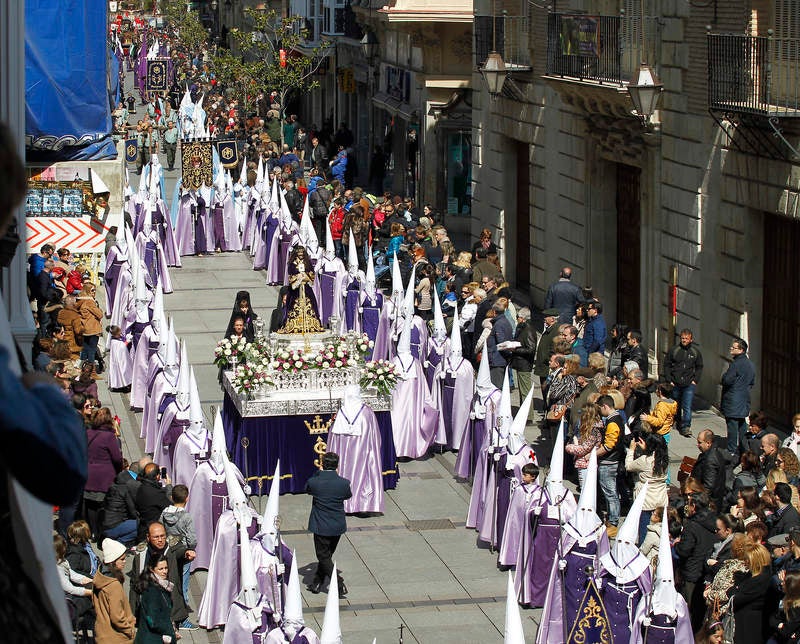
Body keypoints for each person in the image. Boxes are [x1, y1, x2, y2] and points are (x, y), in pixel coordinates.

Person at [130, 521, 192, 630]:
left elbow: (180, 551)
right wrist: (132, 612)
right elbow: (134, 584)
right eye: (156, 537)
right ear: (148, 537)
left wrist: (186, 553)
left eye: (163, 536)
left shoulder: (172, 548)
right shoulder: (141, 555)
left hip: (169, 608)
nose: (160, 540)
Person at [305, 452, 352, 597]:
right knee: (326, 555)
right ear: (337, 465)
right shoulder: (344, 483)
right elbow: (347, 495)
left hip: (321, 526)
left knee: (323, 556)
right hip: (337, 525)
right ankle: (317, 583)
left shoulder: (315, 482)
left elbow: (307, 489)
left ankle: (338, 583)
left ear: (322, 464)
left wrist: (318, 473)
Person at [675, 492, 720, 632]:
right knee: (701, 614)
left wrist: (677, 545)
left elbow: (684, 551)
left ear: (694, 506)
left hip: (692, 573)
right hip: (707, 572)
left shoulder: (692, 525)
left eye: (688, 504)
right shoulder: (716, 521)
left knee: (688, 612)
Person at [84, 408, 124, 539]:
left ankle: (93, 531)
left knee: (91, 505)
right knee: (104, 505)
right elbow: (117, 458)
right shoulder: (109, 436)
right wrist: (119, 471)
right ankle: (102, 532)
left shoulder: (88, 433)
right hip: (104, 477)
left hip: (89, 474)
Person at [625, 432, 669, 544]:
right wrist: (647, 450)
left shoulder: (644, 460)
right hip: (661, 498)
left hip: (646, 501)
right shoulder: (664, 460)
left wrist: (631, 450)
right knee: (659, 529)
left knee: (644, 530)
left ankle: (643, 549)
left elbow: (628, 466)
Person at [159, 484, 197, 608]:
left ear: (172, 498)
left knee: (170, 576)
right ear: (187, 498)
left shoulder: (164, 513)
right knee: (183, 579)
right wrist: (191, 548)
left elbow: (160, 528)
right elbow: (191, 538)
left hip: (169, 549)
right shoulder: (186, 517)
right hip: (183, 550)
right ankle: (183, 605)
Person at [728, 540, 773, 643]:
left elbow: (736, 598)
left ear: (755, 560)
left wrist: (735, 589)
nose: (745, 562)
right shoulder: (750, 576)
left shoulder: (760, 580)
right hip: (744, 623)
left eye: (747, 559)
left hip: (751, 627)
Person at [93, 538, 136, 643]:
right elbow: (117, 617)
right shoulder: (113, 585)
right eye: (122, 559)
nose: (125, 562)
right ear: (113, 561)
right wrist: (130, 630)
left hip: (102, 633)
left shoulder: (100, 577)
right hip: (116, 637)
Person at [663, 328, 704, 437]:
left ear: (691, 339)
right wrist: (669, 380)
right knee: (676, 404)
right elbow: (667, 364)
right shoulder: (674, 350)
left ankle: (686, 426)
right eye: (682, 338)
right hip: (675, 383)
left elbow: (699, 367)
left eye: (686, 338)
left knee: (687, 406)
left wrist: (695, 380)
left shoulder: (695, 352)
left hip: (689, 384)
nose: (684, 340)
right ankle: (677, 421)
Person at [721, 337, 756, 456]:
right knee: (742, 425)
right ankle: (744, 449)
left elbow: (727, 380)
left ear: (741, 350)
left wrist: (724, 377)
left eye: (734, 347)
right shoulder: (750, 364)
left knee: (732, 426)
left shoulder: (735, 364)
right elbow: (752, 382)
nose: (731, 349)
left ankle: (731, 450)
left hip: (733, 400)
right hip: (744, 399)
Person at [133, 553, 177, 643]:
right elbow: (153, 620)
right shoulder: (152, 590)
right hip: (152, 639)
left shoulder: (162, 585)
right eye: (161, 569)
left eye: (166, 568)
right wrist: (171, 632)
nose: (165, 571)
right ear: (151, 569)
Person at [596, 394, 623, 536]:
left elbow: (608, 446)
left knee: (610, 493)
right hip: (612, 461)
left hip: (609, 462)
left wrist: (593, 455)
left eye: (600, 409)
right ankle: (611, 520)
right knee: (610, 492)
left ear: (605, 406)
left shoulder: (612, 423)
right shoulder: (617, 418)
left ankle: (613, 523)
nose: (600, 412)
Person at [692, 429, 728, 511]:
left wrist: (698, 502)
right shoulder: (711, 454)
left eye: (700, 442)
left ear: (708, 443)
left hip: (708, 504)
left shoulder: (710, 459)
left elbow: (708, 486)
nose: (698, 445)